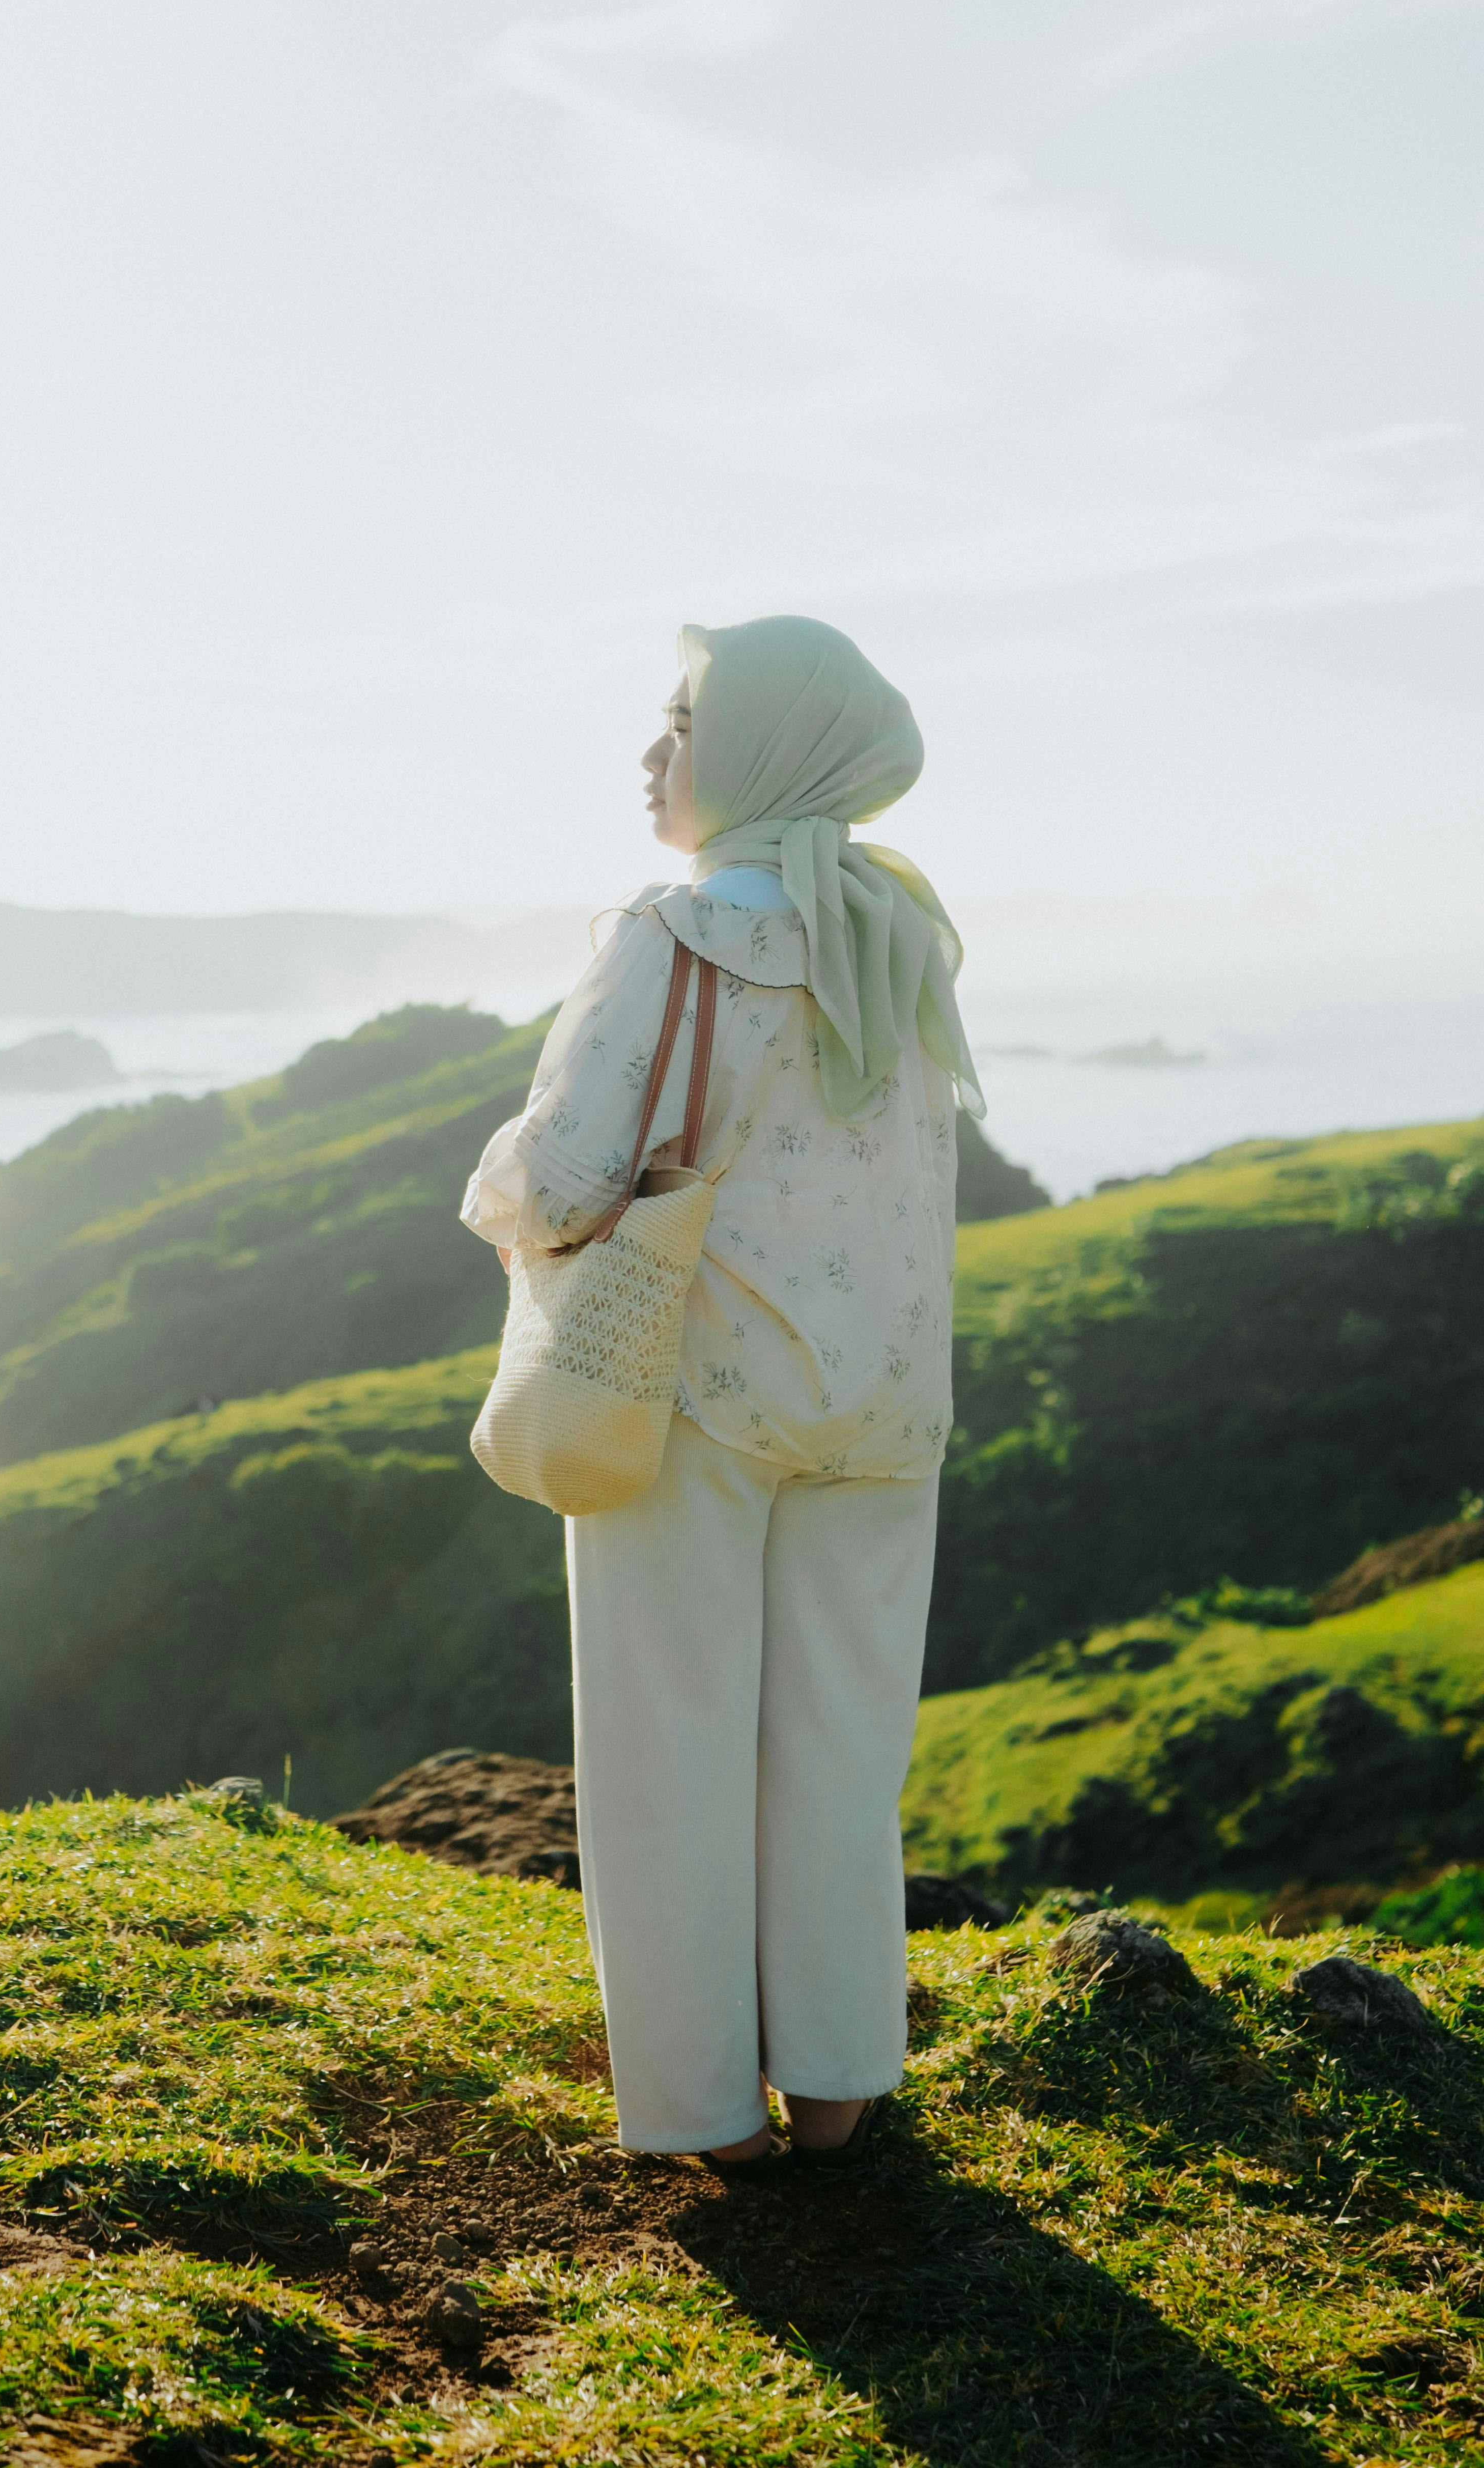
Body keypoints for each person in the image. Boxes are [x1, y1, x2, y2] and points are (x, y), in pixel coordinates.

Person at [460, 615, 982, 2172]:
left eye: (678, 722)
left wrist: (489, 1194)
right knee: (839, 1758)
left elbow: (558, 1176)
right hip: (883, 1410)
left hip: (692, 1396)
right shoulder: (902, 934)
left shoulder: (675, 931)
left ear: (753, 753)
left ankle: (703, 2117)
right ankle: (835, 2089)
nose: (652, 753)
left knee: (670, 1750)